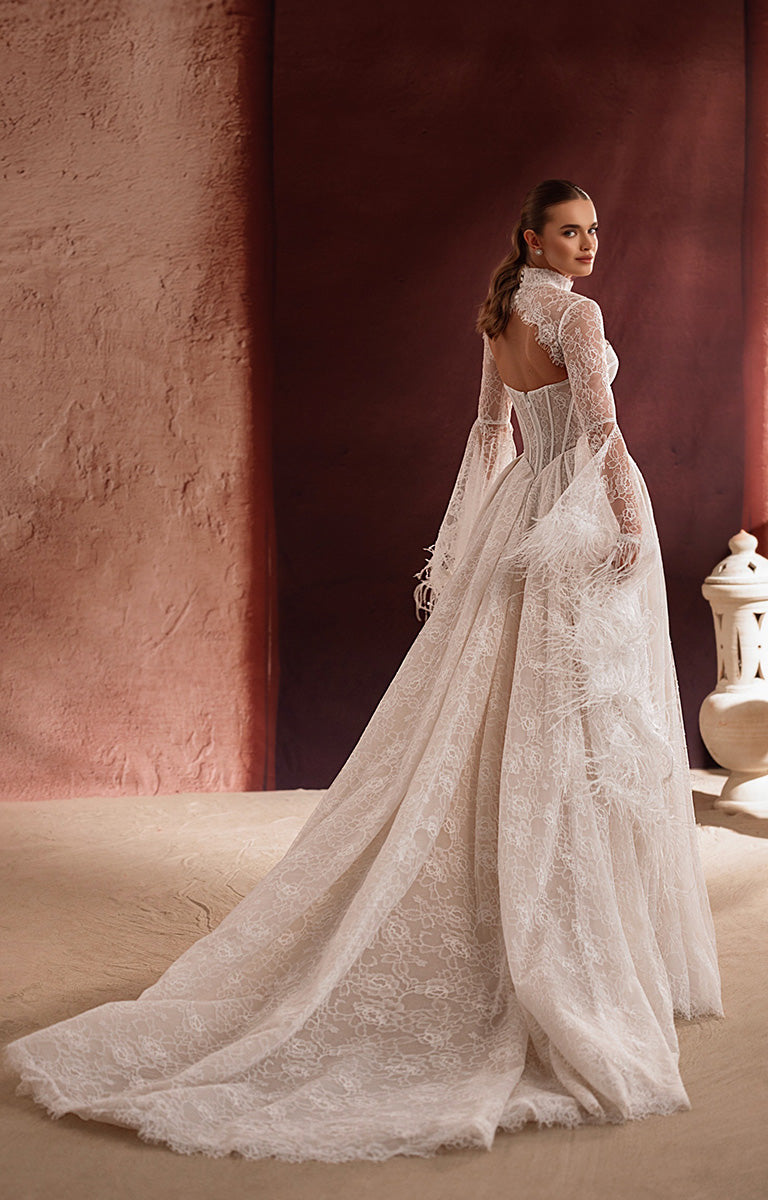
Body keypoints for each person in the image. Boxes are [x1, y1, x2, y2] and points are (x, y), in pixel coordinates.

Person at [4, 179, 723, 1164]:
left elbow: (489, 435)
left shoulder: (504, 310)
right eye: (571, 229)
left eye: (594, 231)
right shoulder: (575, 311)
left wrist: (473, 543)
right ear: (533, 234)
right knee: (578, 725)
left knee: (507, 722)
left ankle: (540, 912)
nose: (589, 244)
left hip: (520, 509)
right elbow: (599, 433)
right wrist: (631, 528)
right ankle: (564, 945)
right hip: (573, 517)